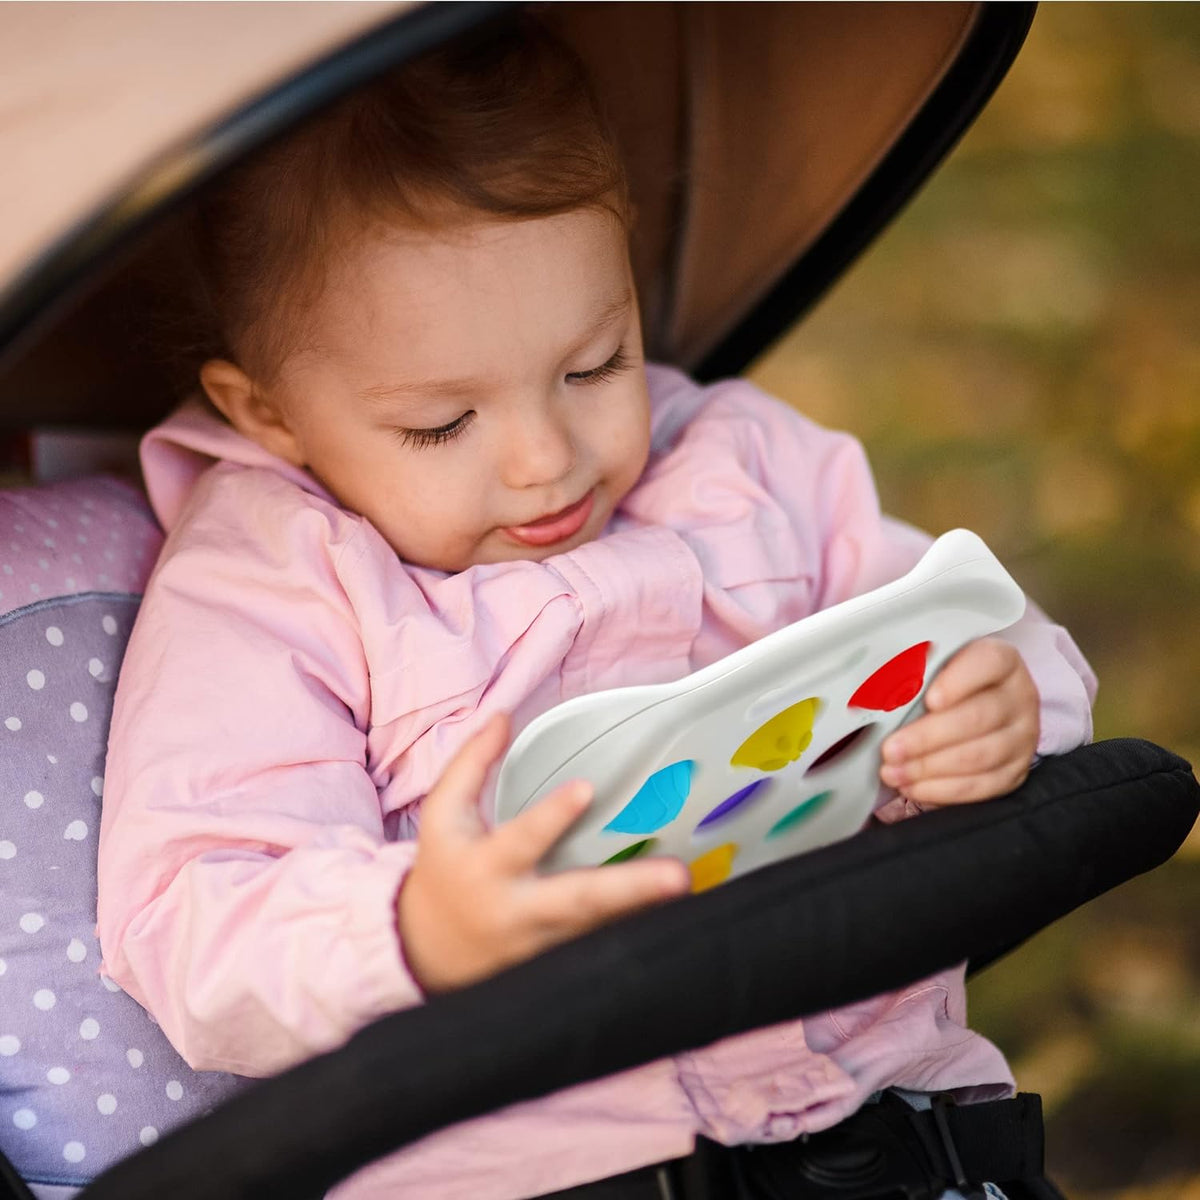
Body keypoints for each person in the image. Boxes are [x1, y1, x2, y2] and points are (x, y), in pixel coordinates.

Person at [96, 15, 1096, 1200]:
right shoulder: (276, 581)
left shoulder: (736, 463)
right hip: (535, 1164)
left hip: (881, 1115)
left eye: (594, 364)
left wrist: (1001, 698)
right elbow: (194, 912)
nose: (544, 459)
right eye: (440, 424)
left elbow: (966, 622)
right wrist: (413, 926)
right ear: (264, 412)